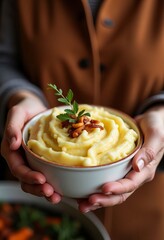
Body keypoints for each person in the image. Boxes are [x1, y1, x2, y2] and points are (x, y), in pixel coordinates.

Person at [0, 0, 164, 239]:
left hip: (146, 212)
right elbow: (4, 60)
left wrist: (161, 113)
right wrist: (19, 97)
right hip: (35, 210)